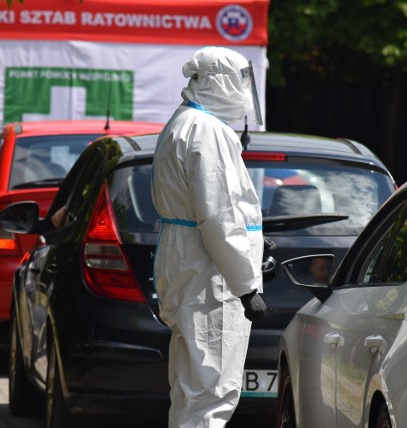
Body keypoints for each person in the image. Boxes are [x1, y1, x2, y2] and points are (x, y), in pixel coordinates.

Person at [151, 46, 267, 427]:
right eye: (240, 81)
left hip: (189, 266)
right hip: (210, 278)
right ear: (219, 82)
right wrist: (246, 286)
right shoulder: (208, 131)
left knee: (190, 389)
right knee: (213, 391)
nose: (244, 91)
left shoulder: (184, 122)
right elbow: (217, 215)